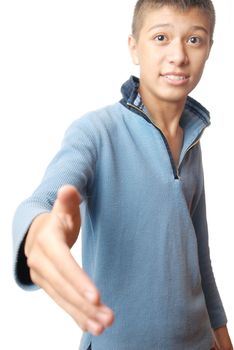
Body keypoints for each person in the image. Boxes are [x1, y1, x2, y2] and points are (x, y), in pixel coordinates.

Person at [12, 0, 233, 349]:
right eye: (161, 37)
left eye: (194, 40)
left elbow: (199, 254)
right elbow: (43, 199)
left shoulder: (193, 138)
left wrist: (220, 331)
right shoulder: (96, 132)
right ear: (134, 47)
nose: (178, 55)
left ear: (209, 49)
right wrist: (37, 233)